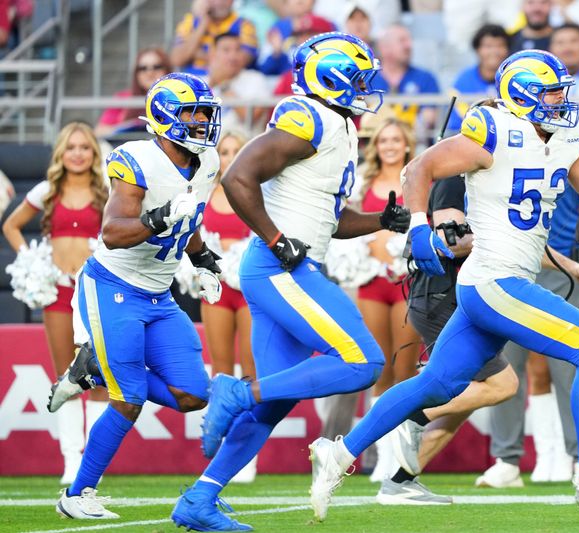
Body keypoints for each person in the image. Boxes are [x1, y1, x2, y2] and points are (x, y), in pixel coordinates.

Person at [307, 49, 579, 522]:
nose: (562, 99)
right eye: (553, 91)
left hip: (496, 282)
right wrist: (417, 230)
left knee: (437, 382)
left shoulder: (565, 134)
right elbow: (419, 169)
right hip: (497, 278)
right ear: (524, 93)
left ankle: (339, 452)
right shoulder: (492, 129)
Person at [171, 33, 411, 532]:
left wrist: (381, 221)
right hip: (279, 267)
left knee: (273, 403)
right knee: (364, 362)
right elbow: (238, 177)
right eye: (358, 76)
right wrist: (276, 238)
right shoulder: (308, 115)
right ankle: (235, 392)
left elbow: (330, 220)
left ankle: (200, 498)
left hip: (288, 265)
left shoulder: (339, 124)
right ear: (330, 77)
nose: (367, 86)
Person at [48, 72, 224, 519]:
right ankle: (77, 494)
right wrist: (160, 217)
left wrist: (202, 260)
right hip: (113, 287)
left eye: (206, 113)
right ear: (166, 116)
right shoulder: (136, 159)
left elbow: (190, 217)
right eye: (192, 113)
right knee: (128, 400)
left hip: (158, 294)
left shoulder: (206, 162)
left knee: (193, 394)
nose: (202, 121)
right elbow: (112, 233)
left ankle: (95, 370)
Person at [379, 176, 579, 501]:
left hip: (471, 299)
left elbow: (521, 247)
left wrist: (570, 266)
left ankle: (400, 479)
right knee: (498, 385)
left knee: (465, 398)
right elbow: (449, 242)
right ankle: (409, 419)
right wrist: (492, 240)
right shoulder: (455, 179)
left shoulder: (491, 178)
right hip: (446, 299)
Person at [480, 145, 579, 487]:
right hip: (508, 263)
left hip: (562, 267)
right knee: (504, 363)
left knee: (570, 363)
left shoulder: (570, 140)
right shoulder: (495, 138)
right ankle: (507, 459)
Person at [2, 122, 109, 485]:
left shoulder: (106, 190)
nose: (77, 153)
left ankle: (94, 462)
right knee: (66, 376)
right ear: (61, 154)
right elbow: (11, 225)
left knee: (97, 377)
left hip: (95, 291)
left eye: (84, 147)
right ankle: (70, 460)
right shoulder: (48, 190)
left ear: (94, 153)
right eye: (71, 147)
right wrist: (32, 261)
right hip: (58, 290)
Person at [352, 117, 422, 482]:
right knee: (378, 367)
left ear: (407, 144)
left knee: (405, 370)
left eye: (396, 139)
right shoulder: (362, 182)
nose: (390, 145)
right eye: (384, 140)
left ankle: (401, 456)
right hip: (371, 282)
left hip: (408, 282)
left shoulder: (419, 180)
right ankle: (380, 455)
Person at [200, 130, 258, 483]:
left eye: (239, 150)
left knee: (250, 373)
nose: (232, 155)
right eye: (226, 151)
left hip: (250, 290)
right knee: (221, 372)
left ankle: (246, 455)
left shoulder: (257, 193)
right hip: (217, 289)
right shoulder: (204, 195)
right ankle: (219, 454)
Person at [372, 24, 440, 136]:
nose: (409, 45)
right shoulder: (367, 80)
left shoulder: (425, 78)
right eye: (402, 41)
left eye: (409, 40)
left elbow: (430, 119)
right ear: (384, 47)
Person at [203, 33, 272, 134]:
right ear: (213, 54)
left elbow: (251, 118)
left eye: (238, 50)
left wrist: (223, 85)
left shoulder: (256, 79)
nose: (233, 56)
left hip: (245, 146)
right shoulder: (202, 83)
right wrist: (212, 83)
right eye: (226, 50)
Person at [446, 24, 510, 132]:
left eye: (499, 45)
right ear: (477, 49)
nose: (494, 51)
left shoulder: (515, 79)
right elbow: (455, 126)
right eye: (488, 46)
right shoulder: (462, 82)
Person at [95, 48, 170, 138]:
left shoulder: (180, 98)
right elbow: (99, 131)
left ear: (167, 69)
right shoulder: (122, 98)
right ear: (136, 73)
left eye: (157, 67)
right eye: (143, 68)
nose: (150, 72)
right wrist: (130, 126)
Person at [171, 0, 258, 72]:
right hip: (193, 81)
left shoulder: (244, 25)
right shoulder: (190, 21)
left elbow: (241, 61)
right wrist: (203, 23)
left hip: (228, 81)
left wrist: (195, 53)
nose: (219, 2)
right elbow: (177, 59)